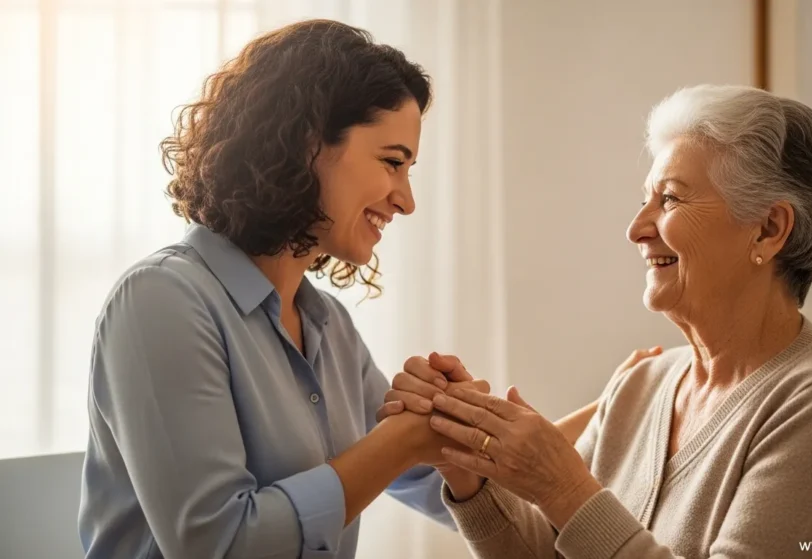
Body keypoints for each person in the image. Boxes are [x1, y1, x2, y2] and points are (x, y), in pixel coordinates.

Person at [78, 19, 649, 559]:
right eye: (392, 162)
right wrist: (403, 440)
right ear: (305, 144)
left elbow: (447, 471)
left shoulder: (326, 324)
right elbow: (221, 545)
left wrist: (623, 404)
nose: (406, 198)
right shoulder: (161, 302)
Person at [382, 85, 812, 558]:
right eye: (644, 201)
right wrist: (468, 472)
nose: (636, 228)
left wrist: (565, 490)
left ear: (769, 230)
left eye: (671, 199)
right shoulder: (642, 384)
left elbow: (577, 515)